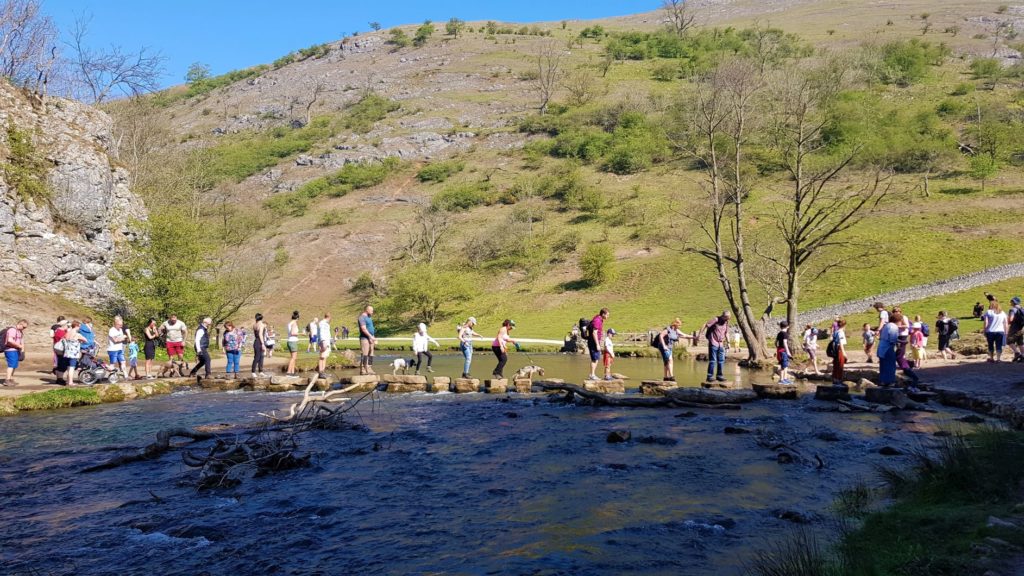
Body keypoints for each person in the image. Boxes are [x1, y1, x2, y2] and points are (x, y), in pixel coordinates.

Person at [655, 318, 694, 382]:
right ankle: (671, 376)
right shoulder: (668, 329)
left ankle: (665, 377)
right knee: (670, 360)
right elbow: (661, 336)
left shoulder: (676, 330)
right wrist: (664, 346)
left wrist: (694, 337)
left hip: (669, 347)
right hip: (663, 346)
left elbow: (684, 335)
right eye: (679, 325)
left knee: (666, 361)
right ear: (675, 324)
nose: (680, 327)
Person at [700, 311, 731, 383]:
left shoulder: (726, 322)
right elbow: (705, 324)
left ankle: (719, 376)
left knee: (721, 360)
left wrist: (728, 342)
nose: (728, 320)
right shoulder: (715, 319)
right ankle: (709, 376)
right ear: (723, 316)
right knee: (713, 360)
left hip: (721, 344)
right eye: (727, 318)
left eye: (729, 318)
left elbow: (727, 333)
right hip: (713, 343)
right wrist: (699, 335)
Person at [2, 320, 28, 386]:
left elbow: (22, 341)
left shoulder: (20, 331)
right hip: (10, 350)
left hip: (16, 350)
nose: (24, 329)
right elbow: (10, 340)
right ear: (20, 324)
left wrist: (22, 350)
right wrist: (19, 346)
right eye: (24, 327)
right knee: (11, 365)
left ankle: (10, 379)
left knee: (14, 365)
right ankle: (7, 380)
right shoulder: (12, 330)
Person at [61, 320, 87, 386]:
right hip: (73, 353)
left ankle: (68, 381)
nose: (79, 328)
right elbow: (85, 340)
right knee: (72, 368)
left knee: (68, 368)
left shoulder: (68, 332)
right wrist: (80, 341)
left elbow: (64, 338)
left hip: (67, 352)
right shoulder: (77, 334)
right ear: (76, 326)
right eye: (79, 326)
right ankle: (70, 382)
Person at [586, 308, 609, 381]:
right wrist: (597, 344)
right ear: (603, 314)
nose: (608, 316)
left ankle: (592, 374)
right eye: (607, 315)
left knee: (596, 358)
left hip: (593, 341)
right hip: (593, 342)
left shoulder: (597, 319)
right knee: (595, 359)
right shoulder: (597, 320)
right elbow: (594, 332)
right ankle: (592, 375)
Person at [877, 313, 900, 387]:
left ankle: (883, 381)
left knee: (883, 365)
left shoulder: (886, 325)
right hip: (888, 348)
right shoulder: (894, 327)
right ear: (898, 320)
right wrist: (901, 343)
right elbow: (892, 339)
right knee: (890, 365)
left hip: (881, 347)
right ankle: (890, 382)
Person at [189, 317, 213, 381]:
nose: (209, 325)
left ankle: (192, 372)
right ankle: (208, 374)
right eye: (209, 323)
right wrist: (199, 350)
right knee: (208, 359)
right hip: (200, 347)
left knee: (202, 361)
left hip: (202, 347)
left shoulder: (204, 329)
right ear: (205, 323)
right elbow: (197, 340)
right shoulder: (201, 329)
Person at [358, 306, 377, 375]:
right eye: (371, 310)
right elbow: (363, 329)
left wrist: (373, 337)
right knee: (364, 354)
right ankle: (363, 370)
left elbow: (371, 328)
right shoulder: (361, 318)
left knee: (371, 353)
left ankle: (369, 368)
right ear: (367, 310)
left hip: (371, 337)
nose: (372, 312)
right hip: (364, 338)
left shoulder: (369, 318)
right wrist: (370, 337)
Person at [830, 319, 847, 386]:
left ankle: (835, 379)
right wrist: (844, 353)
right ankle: (838, 379)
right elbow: (841, 343)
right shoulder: (841, 332)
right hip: (839, 349)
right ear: (844, 325)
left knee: (836, 364)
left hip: (835, 350)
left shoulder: (836, 332)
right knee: (840, 364)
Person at [1007, 296, 1024, 363]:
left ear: (1014, 302)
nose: (1010, 302)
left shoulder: (1013, 309)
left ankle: (1017, 353)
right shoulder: (1022, 308)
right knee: (1020, 342)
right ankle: (1023, 356)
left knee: (1009, 340)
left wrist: (1008, 320)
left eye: (1011, 301)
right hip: (1021, 328)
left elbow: (1011, 319)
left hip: (1014, 328)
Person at [252, 313, 268, 377]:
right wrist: (263, 344)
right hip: (259, 342)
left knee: (261, 357)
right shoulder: (261, 325)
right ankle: (253, 372)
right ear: (261, 318)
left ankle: (260, 371)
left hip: (256, 341)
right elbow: (260, 334)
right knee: (257, 357)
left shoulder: (254, 324)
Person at [317, 313, 332, 378]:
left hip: (327, 342)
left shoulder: (326, 324)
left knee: (325, 357)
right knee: (322, 357)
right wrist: (323, 341)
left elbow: (327, 334)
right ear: (328, 317)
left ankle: (323, 371)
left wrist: (331, 340)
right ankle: (321, 372)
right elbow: (321, 333)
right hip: (324, 342)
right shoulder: (322, 323)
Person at [286, 311, 300, 376]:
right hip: (293, 341)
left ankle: (292, 372)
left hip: (289, 341)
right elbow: (292, 333)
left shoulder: (289, 323)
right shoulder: (294, 323)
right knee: (293, 358)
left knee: (293, 357)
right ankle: (289, 372)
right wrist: (301, 334)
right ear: (297, 318)